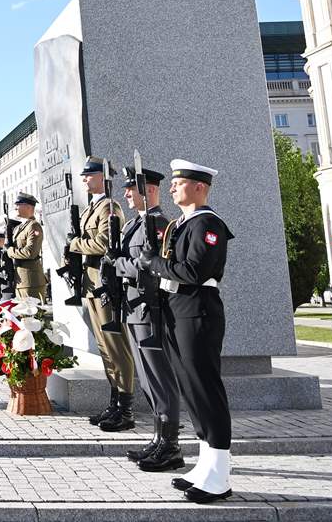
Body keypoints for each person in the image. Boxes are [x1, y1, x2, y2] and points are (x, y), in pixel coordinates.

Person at [138, 160, 233, 504]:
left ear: (200, 187)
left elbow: (193, 270)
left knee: (205, 388)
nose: (174, 187)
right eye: (174, 183)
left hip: (198, 310)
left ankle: (220, 472)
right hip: (177, 311)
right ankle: (206, 464)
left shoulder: (208, 224)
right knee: (190, 389)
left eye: (180, 183)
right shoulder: (180, 224)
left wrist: (154, 263)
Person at [112, 165, 183, 471]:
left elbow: (150, 267)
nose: (126, 193)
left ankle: (170, 446)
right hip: (133, 309)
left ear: (149, 191)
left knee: (160, 379)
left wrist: (119, 265)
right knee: (148, 380)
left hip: (148, 309)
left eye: (132, 188)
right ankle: (158, 440)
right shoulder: (132, 225)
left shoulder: (159, 224)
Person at [69, 158, 136, 431]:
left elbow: (105, 243)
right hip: (92, 285)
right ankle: (114, 402)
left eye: (89, 175)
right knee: (105, 347)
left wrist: (75, 244)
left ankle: (126, 409)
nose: (84, 180)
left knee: (117, 346)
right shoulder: (92, 208)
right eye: (84, 176)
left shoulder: (110, 207)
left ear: (101, 177)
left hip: (106, 286)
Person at [6, 193, 47, 301]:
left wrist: (10, 252)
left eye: (18, 204)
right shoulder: (20, 227)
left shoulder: (33, 226)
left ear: (28, 207)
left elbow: (30, 252)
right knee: (24, 316)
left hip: (31, 281)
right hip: (21, 280)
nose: (15, 208)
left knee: (33, 315)